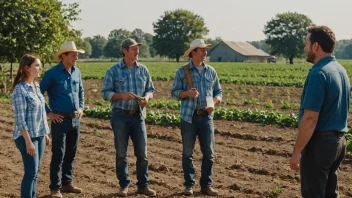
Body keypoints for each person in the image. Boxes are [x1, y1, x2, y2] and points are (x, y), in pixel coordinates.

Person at [289, 26, 350, 197]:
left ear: (315, 46)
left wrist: (297, 152)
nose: (304, 48)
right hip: (338, 143)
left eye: (306, 44)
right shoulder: (341, 71)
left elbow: (310, 118)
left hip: (319, 144)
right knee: (330, 193)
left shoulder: (318, 73)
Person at [102, 38, 156, 197]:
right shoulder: (113, 70)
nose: (137, 51)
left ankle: (143, 185)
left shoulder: (143, 70)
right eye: (133, 49)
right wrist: (120, 96)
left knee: (142, 154)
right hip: (120, 116)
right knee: (121, 153)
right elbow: (105, 93)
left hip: (138, 117)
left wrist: (147, 98)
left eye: (137, 49)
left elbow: (150, 89)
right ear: (125, 51)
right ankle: (124, 185)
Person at [171, 39, 222, 196]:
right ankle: (189, 185)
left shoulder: (211, 71)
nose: (205, 52)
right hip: (189, 117)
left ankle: (206, 185)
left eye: (206, 50)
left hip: (206, 117)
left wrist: (213, 103)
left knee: (209, 153)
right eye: (202, 50)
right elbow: (174, 93)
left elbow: (218, 92)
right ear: (193, 53)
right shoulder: (183, 71)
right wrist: (187, 93)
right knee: (188, 153)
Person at [40, 41, 85, 198]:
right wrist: (49, 113)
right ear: (64, 56)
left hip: (75, 120)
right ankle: (55, 188)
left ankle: (67, 183)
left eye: (77, 54)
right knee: (58, 154)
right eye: (73, 54)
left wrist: (81, 108)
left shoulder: (77, 72)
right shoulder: (52, 73)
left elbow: (81, 91)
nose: (76, 57)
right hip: (59, 120)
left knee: (71, 154)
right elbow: (39, 94)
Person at [10, 54, 51, 198]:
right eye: (37, 66)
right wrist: (28, 142)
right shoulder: (19, 90)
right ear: (27, 68)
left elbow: (40, 111)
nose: (40, 68)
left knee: (36, 172)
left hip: (39, 135)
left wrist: (45, 133)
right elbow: (20, 119)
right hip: (26, 137)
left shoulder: (36, 86)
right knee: (31, 173)